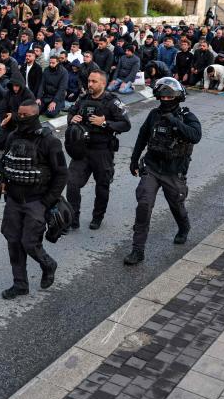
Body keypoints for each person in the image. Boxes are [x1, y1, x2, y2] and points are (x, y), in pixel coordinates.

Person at [125, 78, 202, 265]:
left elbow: (195, 136)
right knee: (143, 205)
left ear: (177, 97)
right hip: (152, 168)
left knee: (176, 204)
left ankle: (184, 227)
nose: (166, 99)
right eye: (163, 96)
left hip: (174, 172)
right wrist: (134, 160)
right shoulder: (153, 114)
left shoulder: (186, 116)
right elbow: (142, 136)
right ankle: (137, 250)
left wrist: (175, 122)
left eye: (169, 96)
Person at [0, 100, 68, 299]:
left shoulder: (49, 141)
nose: (20, 118)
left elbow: (61, 174)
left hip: (36, 201)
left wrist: (47, 201)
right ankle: (20, 284)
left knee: (29, 243)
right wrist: (3, 182)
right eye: (18, 114)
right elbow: (5, 163)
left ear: (35, 116)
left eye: (24, 115)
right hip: (13, 200)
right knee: (13, 241)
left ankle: (48, 264)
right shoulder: (13, 137)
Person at [66, 70, 131, 230]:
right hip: (81, 150)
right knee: (72, 183)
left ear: (103, 83)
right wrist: (72, 119)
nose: (90, 84)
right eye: (89, 81)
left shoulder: (112, 101)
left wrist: (105, 123)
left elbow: (125, 124)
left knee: (102, 186)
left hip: (102, 151)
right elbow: (71, 114)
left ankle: (97, 217)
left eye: (94, 81)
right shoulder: (82, 99)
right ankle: (73, 217)